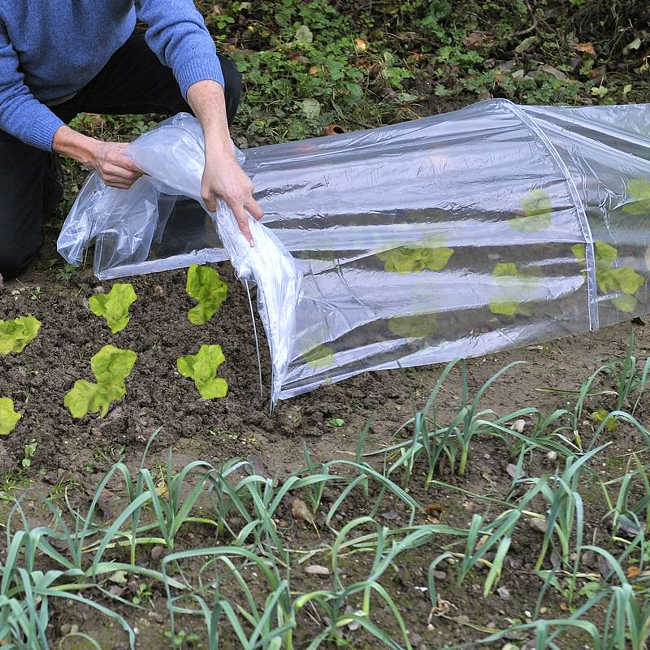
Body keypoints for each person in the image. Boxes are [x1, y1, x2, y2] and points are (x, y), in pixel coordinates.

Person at [0, 1, 263, 281]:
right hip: (27, 92)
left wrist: (219, 150)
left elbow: (182, 29)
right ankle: (41, 157)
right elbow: (6, 96)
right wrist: (93, 152)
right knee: (9, 254)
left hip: (104, 60)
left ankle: (181, 228)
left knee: (221, 82)